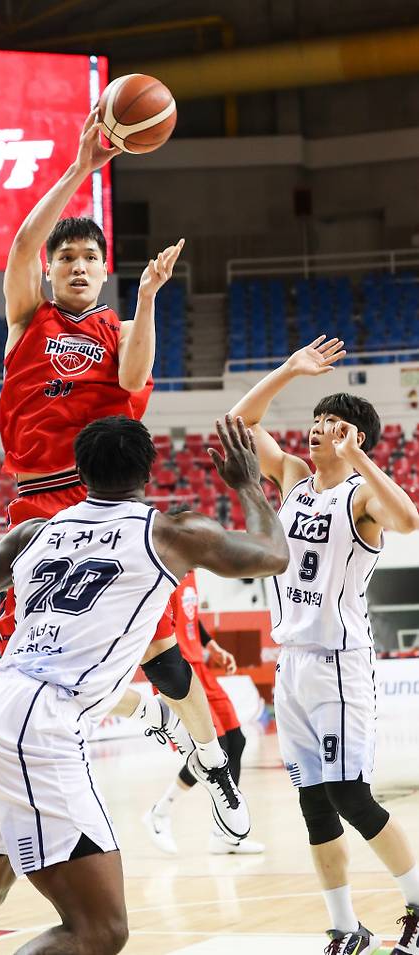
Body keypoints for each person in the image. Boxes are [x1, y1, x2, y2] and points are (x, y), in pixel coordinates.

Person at [0, 413, 288, 955]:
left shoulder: (34, 532)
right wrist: (249, 484)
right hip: (39, 722)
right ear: (148, 471)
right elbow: (273, 555)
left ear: (79, 471)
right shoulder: (170, 532)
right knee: (99, 929)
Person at [0, 108, 244, 820]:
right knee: (25, 656)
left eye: (89, 260)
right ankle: (134, 720)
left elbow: (134, 376)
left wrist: (147, 297)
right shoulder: (27, 320)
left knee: (167, 650)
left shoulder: (122, 326)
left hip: (106, 500)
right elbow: (20, 244)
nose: (76, 266)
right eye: (66, 258)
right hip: (38, 505)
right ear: (54, 270)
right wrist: (81, 167)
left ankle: (214, 763)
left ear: (104, 273)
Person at [230, 335, 419, 955]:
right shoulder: (291, 479)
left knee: (351, 797)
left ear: (357, 438)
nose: (317, 431)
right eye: (315, 421)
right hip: (294, 665)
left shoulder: (360, 495)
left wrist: (360, 459)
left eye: (333, 424)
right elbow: (239, 423)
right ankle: (346, 926)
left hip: (342, 664)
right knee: (314, 805)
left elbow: (409, 521)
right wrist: (288, 369)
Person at [142, 535, 265, 856]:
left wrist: (212, 646)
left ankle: (224, 834)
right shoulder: (163, 571)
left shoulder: (192, 572)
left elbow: (191, 620)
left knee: (235, 742)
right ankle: (159, 812)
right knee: (213, 752)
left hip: (201, 666)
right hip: (179, 672)